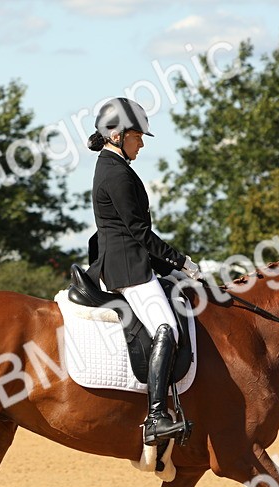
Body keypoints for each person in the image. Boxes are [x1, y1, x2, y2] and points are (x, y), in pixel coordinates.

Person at [85, 97, 200, 446]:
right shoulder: (115, 172)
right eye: (137, 135)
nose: (141, 142)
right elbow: (139, 232)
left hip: (132, 263)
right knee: (166, 328)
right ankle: (155, 416)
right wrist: (181, 261)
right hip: (128, 270)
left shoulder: (113, 167)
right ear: (117, 134)